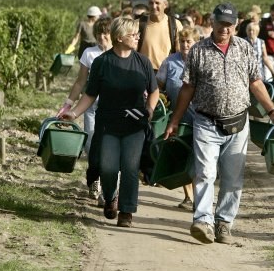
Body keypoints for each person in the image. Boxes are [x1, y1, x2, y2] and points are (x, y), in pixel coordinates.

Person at [164, 1, 274, 245]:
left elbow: (255, 82)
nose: (225, 28)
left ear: (236, 25)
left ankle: (223, 223)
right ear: (212, 22)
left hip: (238, 124)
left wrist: (272, 111)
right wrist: (175, 120)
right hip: (206, 122)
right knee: (205, 173)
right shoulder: (199, 51)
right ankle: (203, 221)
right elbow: (188, 88)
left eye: (230, 24)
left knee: (232, 179)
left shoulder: (245, 49)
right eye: (221, 23)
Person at [60, 16, 159, 228]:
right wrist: (74, 113)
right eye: (134, 35)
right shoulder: (101, 63)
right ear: (120, 37)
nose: (138, 37)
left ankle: (126, 211)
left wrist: (149, 110)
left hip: (134, 125)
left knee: (131, 168)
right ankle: (110, 195)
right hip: (108, 124)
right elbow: (90, 94)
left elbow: (154, 90)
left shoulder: (142, 62)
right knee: (107, 167)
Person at [56, 16, 113, 206]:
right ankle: (95, 176)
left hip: (113, 107)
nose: (102, 38)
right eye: (99, 35)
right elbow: (80, 81)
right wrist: (68, 103)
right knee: (91, 143)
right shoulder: (90, 53)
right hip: (91, 106)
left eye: (105, 34)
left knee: (110, 148)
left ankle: (108, 188)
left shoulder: (119, 54)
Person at [156, 27, 202, 210]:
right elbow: (158, 85)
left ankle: (200, 197)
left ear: (196, 43)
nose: (185, 45)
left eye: (189, 41)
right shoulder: (169, 62)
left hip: (199, 117)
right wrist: (161, 99)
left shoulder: (201, 62)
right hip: (177, 118)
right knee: (182, 155)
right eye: (182, 42)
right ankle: (188, 196)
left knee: (199, 158)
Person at [137, 0, 183, 72]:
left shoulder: (175, 25)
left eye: (157, 3)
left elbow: (180, 52)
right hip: (143, 73)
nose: (154, 6)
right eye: (151, 3)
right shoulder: (139, 24)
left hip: (167, 73)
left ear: (165, 5)